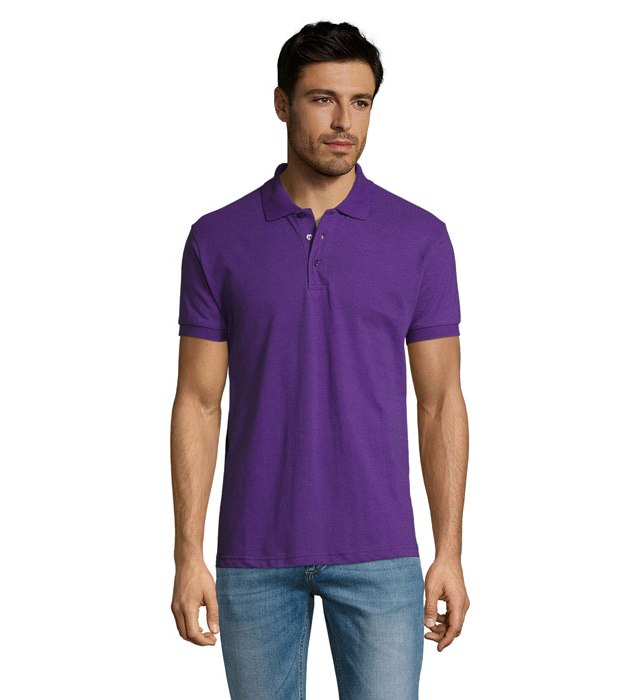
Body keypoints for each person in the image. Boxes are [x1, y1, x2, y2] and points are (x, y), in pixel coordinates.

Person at [170, 20, 470, 700]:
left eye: (360, 102)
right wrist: (188, 554)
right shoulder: (217, 240)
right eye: (322, 99)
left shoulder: (420, 238)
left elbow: (440, 402)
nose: (344, 122)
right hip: (254, 555)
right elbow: (198, 402)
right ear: (282, 104)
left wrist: (449, 551)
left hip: (381, 554)